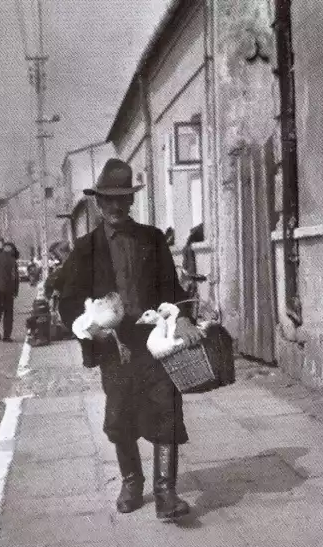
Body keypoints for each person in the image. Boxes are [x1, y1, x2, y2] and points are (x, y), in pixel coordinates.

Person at [58, 158, 203, 521]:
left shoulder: (151, 239)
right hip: (114, 346)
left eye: (123, 198)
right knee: (120, 413)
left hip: (153, 339)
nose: (115, 206)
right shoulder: (86, 248)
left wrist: (182, 317)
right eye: (108, 199)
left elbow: (172, 286)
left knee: (166, 407)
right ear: (98, 202)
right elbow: (70, 301)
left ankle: (166, 492)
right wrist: (91, 328)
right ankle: (131, 481)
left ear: (131, 201)